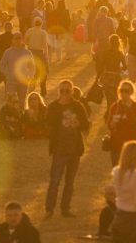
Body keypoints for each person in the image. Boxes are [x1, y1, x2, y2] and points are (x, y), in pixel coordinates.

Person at [45, 79, 90, 218]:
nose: (64, 93)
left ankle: (65, 209)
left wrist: (79, 124)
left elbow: (86, 125)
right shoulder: (53, 106)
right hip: (59, 150)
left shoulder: (78, 106)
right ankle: (49, 209)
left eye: (67, 91)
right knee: (54, 182)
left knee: (70, 183)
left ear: (72, 92)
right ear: (59, 91)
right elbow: (47, 125)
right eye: (62, 90)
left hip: (75, 150)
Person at [106, 80, 136, 165]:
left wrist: (129, 109)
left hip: (131, 147)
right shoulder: (115, 106)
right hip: (116, 146)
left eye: (127, 91)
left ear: (131, 92)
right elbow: (109, 126)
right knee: (117, 174)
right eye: (121, 90)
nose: (124, 93)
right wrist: (112, 124)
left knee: (130, 174)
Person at [0, 32, 35, 104]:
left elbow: (32, 67)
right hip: (11, 81)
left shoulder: (27, 52)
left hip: (23, 81)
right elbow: (2, 66)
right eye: (16, 38)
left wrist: (30, 77)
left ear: (22, 40)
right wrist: (8, 74)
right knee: (11, 102)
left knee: (22, 102)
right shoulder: (7, 52)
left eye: (19, 38)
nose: (18, 40)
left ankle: (21, 114)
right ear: (12, 40)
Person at [99, 34, 128, 108]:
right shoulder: (120, 54)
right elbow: (125, 67)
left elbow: (101, 65)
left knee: (109, 100)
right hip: (116, 78)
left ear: (110, 42)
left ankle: (109, 113)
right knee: (116, 99)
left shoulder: (105, 53)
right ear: (118, 43)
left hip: (107, 78)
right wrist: (120, 68)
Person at [25, 17, 50, 97]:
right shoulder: (43, 32)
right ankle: (43, 90)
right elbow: (45, 45)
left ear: (33, 22)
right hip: (40, 53)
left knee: (32, 72)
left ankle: (31, 89)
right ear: (41, 23)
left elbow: (26, 41)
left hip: (31, 52)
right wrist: (46, 56)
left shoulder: (29, 31)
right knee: (43, 71)